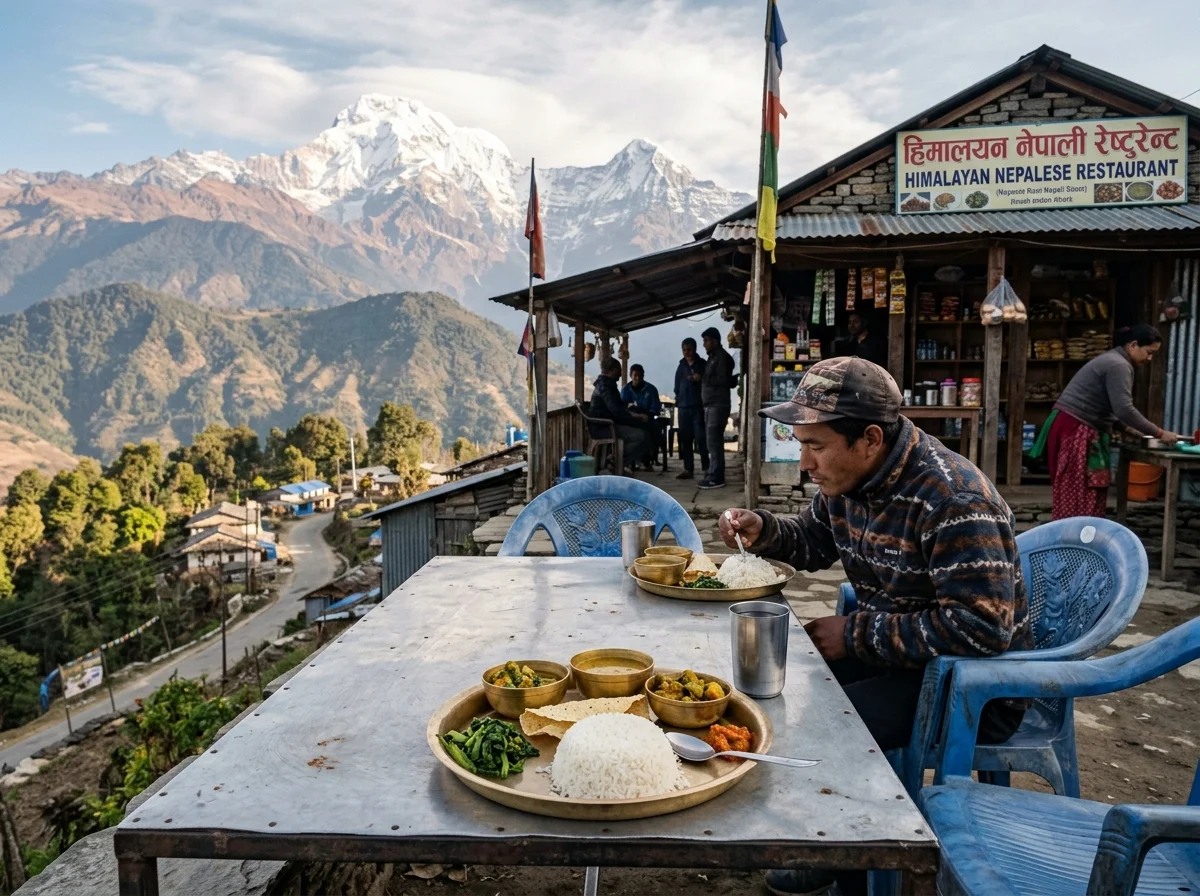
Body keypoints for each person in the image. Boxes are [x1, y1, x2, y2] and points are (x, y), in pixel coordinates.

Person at [717, 357, 1031, 896]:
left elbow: (982, 628)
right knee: (773, 693)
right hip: (899, 656)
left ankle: (852, 861)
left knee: (830, 731)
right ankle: (833, 844)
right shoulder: (853, 481)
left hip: (970, 686)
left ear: (868, 438)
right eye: (800, 444)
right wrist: (763, 529)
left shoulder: (953, 498)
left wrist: (856, 635)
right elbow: (812, 540)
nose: (805, 463)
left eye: (815, 447)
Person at [1032, 324, 1184, 521]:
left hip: (1073, 425)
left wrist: (1128, 429)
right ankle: (1075, 545)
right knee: (1078, 497)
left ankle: (1082, 544)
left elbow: (1105, 407)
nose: (1150, 359)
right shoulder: (1118, 365)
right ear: (1134, 345)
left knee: (1081, 495)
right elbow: (1124, 409)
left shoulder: (1114, 361)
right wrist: (1160, 433)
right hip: (1075, 429)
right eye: (1149, 352)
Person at [587, 356, 652, 470]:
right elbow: (617, 411)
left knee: (642, 431)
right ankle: (616, 459)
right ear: (611, 370)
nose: (621, 374)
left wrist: (631, 415)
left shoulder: (605, 384)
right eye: (618, 371)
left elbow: (618, 409)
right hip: (604, 427)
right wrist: (635, 417)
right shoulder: (606, 387)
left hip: (605, 424)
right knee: (642, 436)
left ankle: (617, 460)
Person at [699, 326, 737, 490]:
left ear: (714, 341)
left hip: (717, 404)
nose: (704, 345)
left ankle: (716, 477)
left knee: (714, 441)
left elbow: (723, 380)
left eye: (706, 341)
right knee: (711, 441)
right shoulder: (714, 357)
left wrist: (704, 378)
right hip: (711, 404)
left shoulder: (721, 357)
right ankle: (712, 472)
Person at [673, 338, 708, 480]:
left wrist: (700, 380)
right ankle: (688, 469)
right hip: (683, 408)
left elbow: (708, 383)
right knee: (685, 439)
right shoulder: (681, 366)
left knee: (701, 438)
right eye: (684, 349)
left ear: (695, 349)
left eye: (689, 349)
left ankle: (707, 467)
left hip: (698, 407)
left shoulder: (702, 364)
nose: (687, 352)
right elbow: (676, 386)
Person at [621, 364, 664, 471]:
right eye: (635, 375)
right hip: (631, 419)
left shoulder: (651, 389)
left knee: (654, 430)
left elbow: (656, 407)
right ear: (631, 375)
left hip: (647, 418)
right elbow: (621, 408)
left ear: (643, 376)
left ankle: (648, 458)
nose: (637, 378)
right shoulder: (625, 390)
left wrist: (647, 415)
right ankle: (630, 459)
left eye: (640, 375)